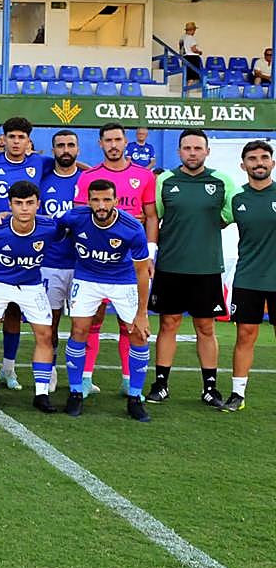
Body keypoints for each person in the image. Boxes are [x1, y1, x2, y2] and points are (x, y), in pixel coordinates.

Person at [149, 129, 236, 408]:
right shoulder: (165, 180)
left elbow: (232, 212)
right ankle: (161, 384)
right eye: (187, 148)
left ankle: (210, 388)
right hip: (170, 266)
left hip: (206, 267)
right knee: (168, 323)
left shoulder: (221, 181)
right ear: (179, 152)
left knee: (205, 327)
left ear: (207, 151)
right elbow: (156, 216)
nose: (192, 153)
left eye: (198, 148)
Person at [74, 122, 158, 396]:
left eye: (117, 140)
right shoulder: (88, 177)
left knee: (131, 323)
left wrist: (150, 254)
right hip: (95, 264)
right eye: (107, 140)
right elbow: (80, 220)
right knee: (91, 320)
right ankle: (85, 379)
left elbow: (151, 216)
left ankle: (128, 381)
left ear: (126, 142)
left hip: (129, 263)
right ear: (100, 144)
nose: (113, 145)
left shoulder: (144, 176)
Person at [58, 180, 152, 422]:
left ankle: (135, 397)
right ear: (88, 201)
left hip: (123, 280)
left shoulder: (132, 228)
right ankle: (76, 392)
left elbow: (143, 272)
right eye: (96, 200)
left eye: (106, 200)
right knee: (79, 330)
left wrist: (142, 313)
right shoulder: (74, 217)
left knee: (138, 334)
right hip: (87, 278)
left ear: (116, 201)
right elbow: (55, 228)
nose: (101, 205)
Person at [0, 181, 62, 413]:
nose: (24, 208)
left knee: (45, 334)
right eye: (18, 203)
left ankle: (41, 394)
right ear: (9, 205)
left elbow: (71, 229)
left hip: (31, 285)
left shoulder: (50, 227)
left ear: (38, 204)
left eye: (29, 203)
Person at [224, 140, 276, 410]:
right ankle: (237, 395)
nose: (259, 162)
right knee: (245, 335)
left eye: (264, 157)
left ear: (272, 163)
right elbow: (212, 223)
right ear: (243, 165)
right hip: (248, 277)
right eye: (253, 159)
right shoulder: (237, 199)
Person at [38, 130, 80, 394]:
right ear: (53, 150)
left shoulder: (87, 179)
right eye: (60, 145)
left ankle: (82, 376)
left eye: (70, 145)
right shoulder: (42, 177)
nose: (66, 150)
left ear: (78, 148)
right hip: (50, 263)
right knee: (49, 322)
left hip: (82, 264)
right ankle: (50, 370)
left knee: (83, 323)